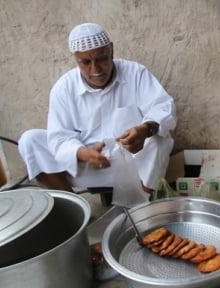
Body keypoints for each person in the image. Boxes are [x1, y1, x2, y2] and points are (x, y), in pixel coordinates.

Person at [18, 23, 176, 199]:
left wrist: (145, 129)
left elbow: (163, 106)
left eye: (101, 58)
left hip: (132, 161)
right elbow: (59, 138)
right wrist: (81, 153)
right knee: (30, 140)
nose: (95, 69)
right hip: (87, 165)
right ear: (76, 59)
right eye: (85, 62)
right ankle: (76, 208)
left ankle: (140, 207)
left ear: (111, 50)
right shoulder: (64, 88)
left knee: (159, 139)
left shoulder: (135, 73)